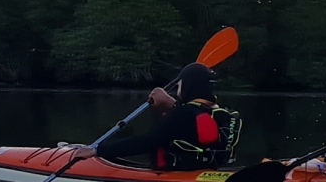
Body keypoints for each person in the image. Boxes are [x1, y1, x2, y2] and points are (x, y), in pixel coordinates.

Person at [67, 62, 243, 171]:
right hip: (210, 168)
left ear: (189, 86)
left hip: (180, 172)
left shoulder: (183, 115)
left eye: (180, 85)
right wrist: (172, 105)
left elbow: (146, 142)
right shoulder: (221, 114)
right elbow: (191, 120)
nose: (178, 89)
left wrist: (97, 151)